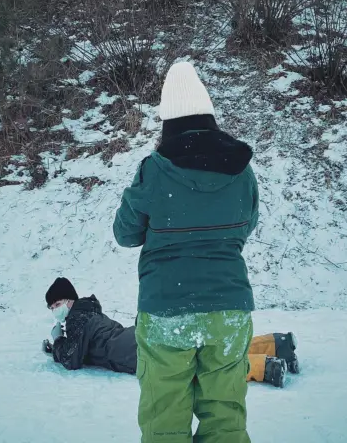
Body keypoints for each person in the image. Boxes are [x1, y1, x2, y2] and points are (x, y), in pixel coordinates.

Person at [112, 61, 260, 442]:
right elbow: (245, 226)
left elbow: (126, 234)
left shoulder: (155, 170)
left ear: (168, 122)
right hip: (229, 308)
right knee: (226, 418)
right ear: (209, 115)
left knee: (165, 419)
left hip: (167, 309)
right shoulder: (241, 171)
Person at [43, 278, 299, 388]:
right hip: (137, 337)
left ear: (69, 301)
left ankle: (267, 368)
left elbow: (71, 359)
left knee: (201, 366)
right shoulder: (90, 312)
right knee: (206, 347)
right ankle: (278, 344)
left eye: (56, 305)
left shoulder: (77, 320)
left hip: (134, 352)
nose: (55, 311)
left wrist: (57, 341)